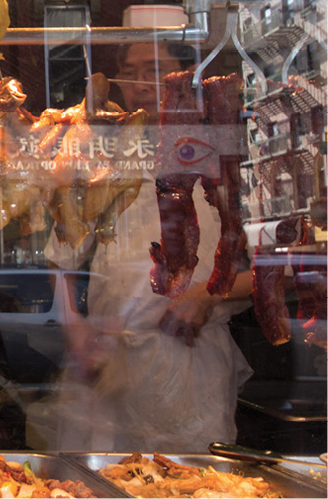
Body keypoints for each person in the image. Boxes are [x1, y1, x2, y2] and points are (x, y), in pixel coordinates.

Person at [39, 39, 254, 451]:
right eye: (131, 73)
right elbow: (61, 256)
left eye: (153, 70)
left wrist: (205, 297)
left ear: (185, 79)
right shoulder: (101, 159)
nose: (140, 84)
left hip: (190, 364)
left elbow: (283, 267)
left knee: (193, 486)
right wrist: (75, 328)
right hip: (110, 363)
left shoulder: (221, 157)